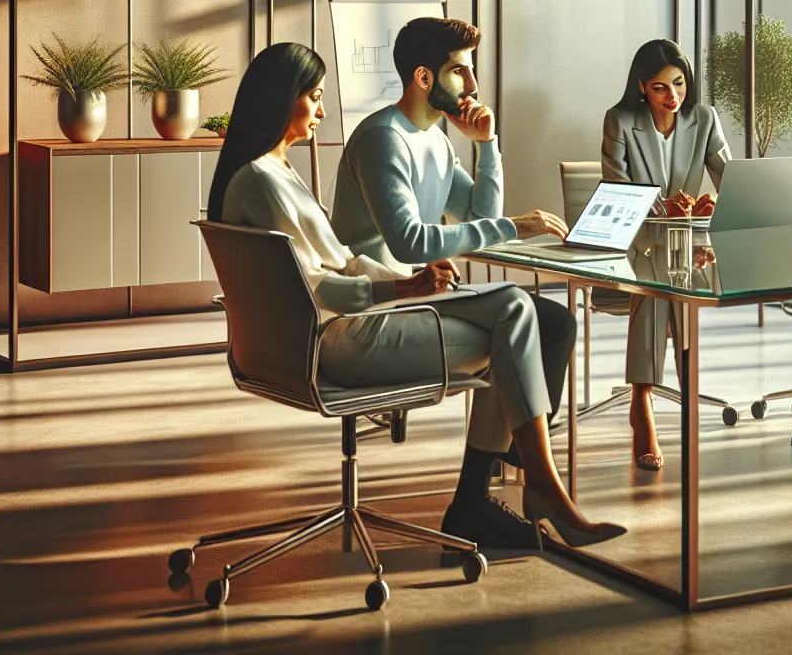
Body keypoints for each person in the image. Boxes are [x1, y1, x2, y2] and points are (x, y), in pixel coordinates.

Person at [208, 43, 623, 549]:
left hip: (347, 321)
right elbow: (314, 287)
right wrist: (402, 285)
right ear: (282, 100)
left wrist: (486, 148)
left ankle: (502, 494)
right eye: (314, 97)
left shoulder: (271, 173)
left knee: (514, 315)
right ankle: (532, 488)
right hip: (336, 339)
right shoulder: (268, 180)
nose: (322, 110)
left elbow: (345, 257)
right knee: (512, 320)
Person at [327, 18, 577, 470]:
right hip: (382, 301)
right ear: (424, 78)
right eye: (460, 71)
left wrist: (488, 146)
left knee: (556, 322)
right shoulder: (383, 138)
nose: (474, 85)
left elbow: (480, 218)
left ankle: (516, 453)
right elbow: (408, 242)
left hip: (423, 291)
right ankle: (514, 464)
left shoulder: (438, 142)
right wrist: (513, 226)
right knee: (519, 321)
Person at [601, 39, 731, 472]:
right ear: (642, 87)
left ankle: (649, 394)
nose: (672, 95)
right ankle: (646, 403)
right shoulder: (620, 121)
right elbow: (619, 192)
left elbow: (728, 178)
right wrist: (660, 209)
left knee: (674, 275)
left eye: (678, 83)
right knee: (657, 282)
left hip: (691, 244)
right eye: (660, 87)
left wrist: (715, 204)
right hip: (636, 241)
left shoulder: (704, 118)